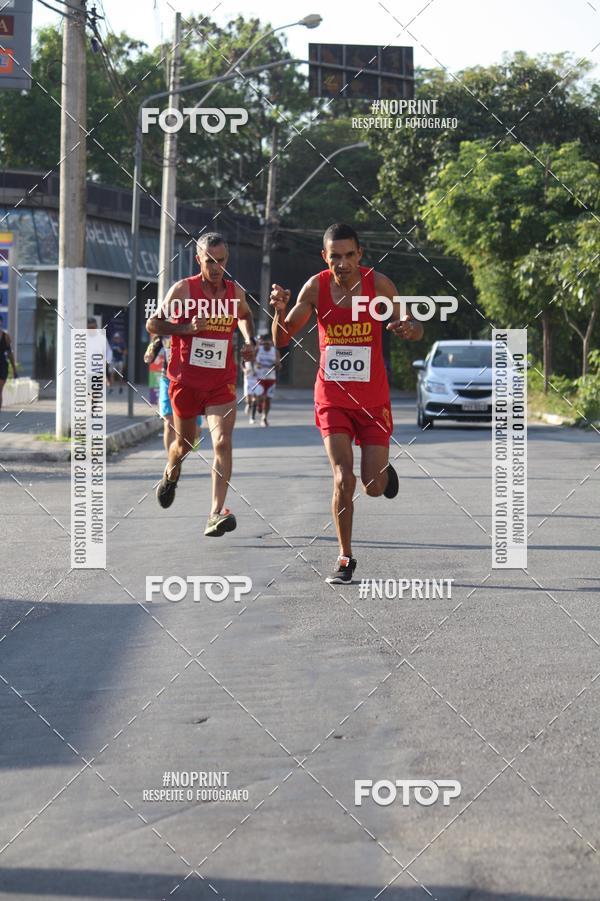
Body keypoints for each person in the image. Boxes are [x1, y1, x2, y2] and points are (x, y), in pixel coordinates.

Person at [271, 223, 423, 583]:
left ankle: (384, 476)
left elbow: (414, 327)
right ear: (325, 257)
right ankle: (345, 557)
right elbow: (282, 339)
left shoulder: (379, 285)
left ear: (360, 255)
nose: (342, 263)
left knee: (372, 484)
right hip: (332, 397)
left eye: (349, 255)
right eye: (334, 256)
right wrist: (280, 309)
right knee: (344, 477)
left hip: (373, 398)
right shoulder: (316, 287)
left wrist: (408, 328)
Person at [146, 232, 256, 538]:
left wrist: (248, 340)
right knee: (184, 446)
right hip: (185, 382)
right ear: (199, 260)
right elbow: (153, 324)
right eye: (210, 261)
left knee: (222, 441)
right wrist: (185, 328)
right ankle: (170, 473)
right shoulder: (184, 289)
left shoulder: (235, 293)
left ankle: (215, 512)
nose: (216, 267)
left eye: (221, 261)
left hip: (221, 383)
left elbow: (246, 315)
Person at [144, 334, 202, 452]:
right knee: (169, 424)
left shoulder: (194, 326)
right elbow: (153, 348)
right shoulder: (165, 331)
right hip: (167, 379)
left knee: (195, 431)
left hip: (191, 381)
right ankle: (172, 461)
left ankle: (180, 451)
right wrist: (149, 355)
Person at [251, 333, 281, 426]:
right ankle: (259, 405)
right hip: (260, 377)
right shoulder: (258, 350)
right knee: (260, 397)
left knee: (268, 399)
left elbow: (279, 366)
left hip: (271, 378)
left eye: (268, 344)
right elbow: (251, 359)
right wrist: (255, 365)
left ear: (271, 343)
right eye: (264, 344)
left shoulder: (275, 352)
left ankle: (264, 418)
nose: (266, 346)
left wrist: (277, 365)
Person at [0, 313, 17, 412]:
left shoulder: (6, 337)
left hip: (2, 365)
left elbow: (10, 354)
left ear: (1, 323)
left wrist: (14, 369)